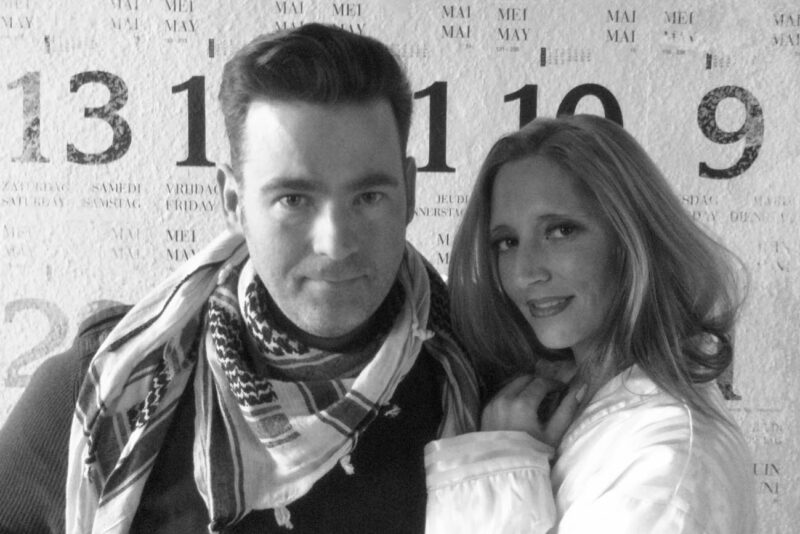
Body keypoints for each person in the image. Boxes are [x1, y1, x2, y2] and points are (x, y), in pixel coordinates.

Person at [0, 23, 478, 534]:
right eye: (293, 200)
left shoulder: (480, 383)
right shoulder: (107, 391)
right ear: (234, 202)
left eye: (368, 197)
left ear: (410, 192)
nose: (335, 243)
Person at [425, 115, 756, 533]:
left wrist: (500, 467)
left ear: (631, 238)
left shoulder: (662, 467)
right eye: (507, 242)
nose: (525, 272)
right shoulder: (589, 404)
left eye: (561, 231)